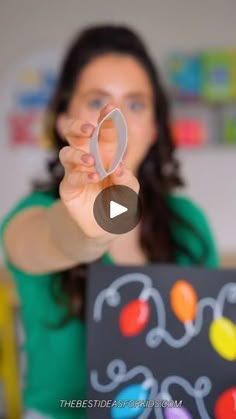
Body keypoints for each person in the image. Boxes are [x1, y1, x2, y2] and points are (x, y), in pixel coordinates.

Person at [0, 24, 219, 419]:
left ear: (154, 128)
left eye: (135, 104)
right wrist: (94, 225)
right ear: (64, 118)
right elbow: (56, 237)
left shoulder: (189, 223)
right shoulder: (29, 216)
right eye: (97, 100)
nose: (115, 118)